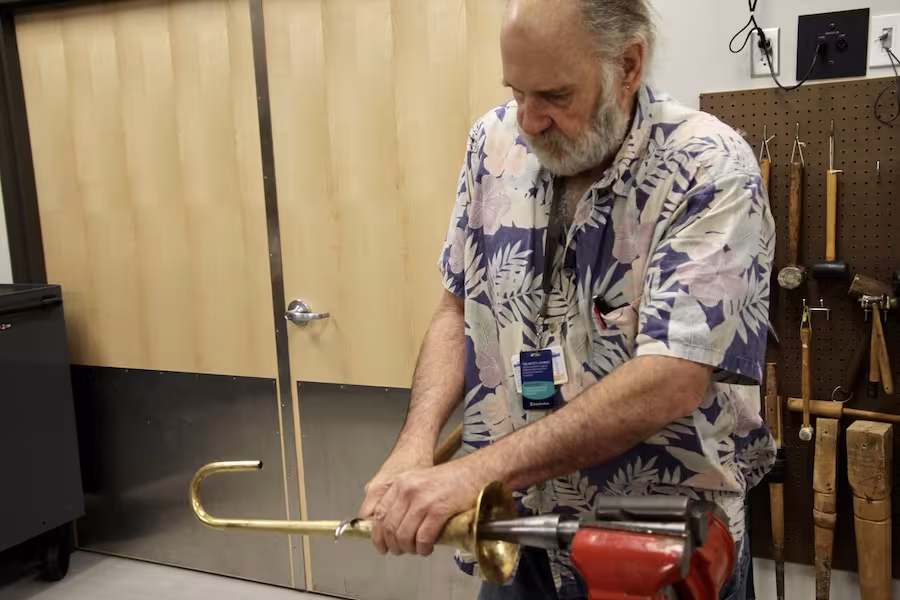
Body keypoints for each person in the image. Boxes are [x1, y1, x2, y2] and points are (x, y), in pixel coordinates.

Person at [359, 0, 776, 598]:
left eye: (554, 95)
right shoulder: (493, 143)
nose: (528, 119)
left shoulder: (710, 169)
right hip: (513, 535)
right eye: (517, 90)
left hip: (657, 550)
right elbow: (457, 306)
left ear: (627, 66)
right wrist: (414, 446)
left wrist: (473, 473)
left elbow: (670, 379)